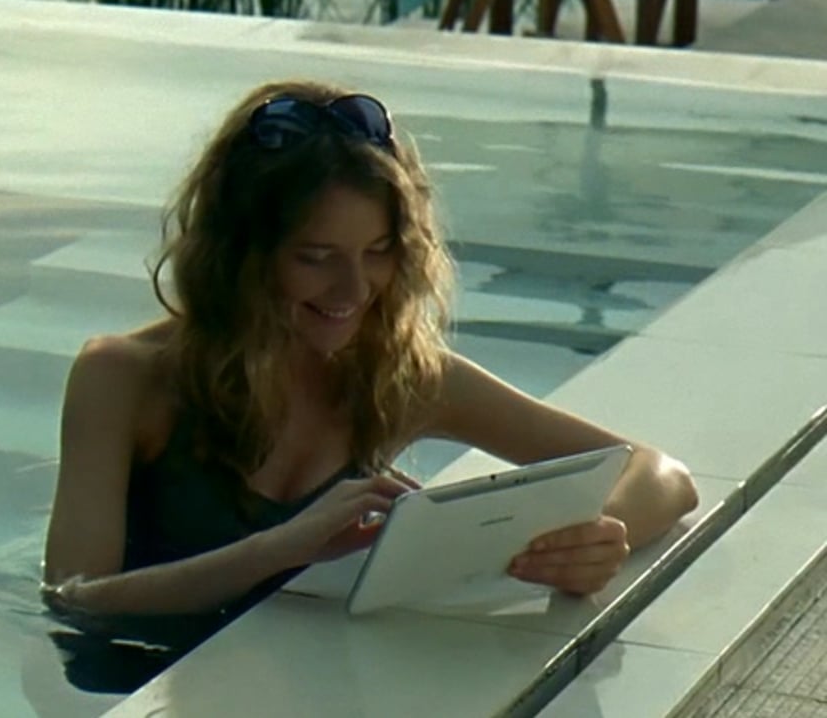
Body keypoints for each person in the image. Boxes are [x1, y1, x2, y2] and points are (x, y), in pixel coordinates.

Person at [39, 80, 698, 637]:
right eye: (316, 258)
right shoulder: (123, 378)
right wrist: (280, 549)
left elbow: (663, 476)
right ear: (239, 254)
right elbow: (74, 597)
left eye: (378, 252)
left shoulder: (398, 376)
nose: (352, 290)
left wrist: (600, 536)